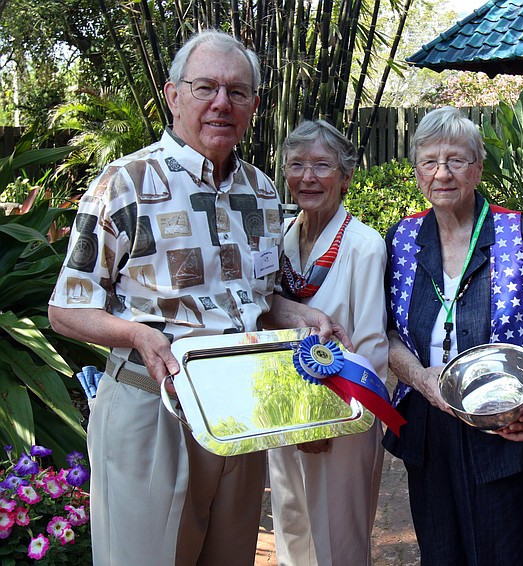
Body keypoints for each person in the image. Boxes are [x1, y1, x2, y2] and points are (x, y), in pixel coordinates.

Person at [47, 29, 345, 566]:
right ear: (173, 94)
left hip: (238, 410)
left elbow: (259, 299)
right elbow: (65, 308)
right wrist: (135, 333)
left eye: (237, 92)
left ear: (254, 105)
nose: (220, 103)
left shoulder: (260, 189)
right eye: (205, 87)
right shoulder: (126, 183)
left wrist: (306, 316)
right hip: (153, 409)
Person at [383, 105, 523, 565]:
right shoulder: (401, 241)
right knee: (440, 552)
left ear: (478, 168)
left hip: (502, 422)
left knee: (502, 550)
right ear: (417, 171)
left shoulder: (517, 234)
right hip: (429, 424)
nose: (441, 173)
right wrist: (422, 378)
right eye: (429, 161)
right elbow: (386, 333)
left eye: (456, 160)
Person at [266, 120, 389, 565]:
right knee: (292, 527)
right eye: (297, 165)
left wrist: (325, 422)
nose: (308, 177)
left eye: (322, 165)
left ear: (346, 176)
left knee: (339, 538)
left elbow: (373, 346)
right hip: (283, 413)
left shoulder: (364, 246)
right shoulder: (277, 240)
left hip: (342, 417)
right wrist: (291, 417)